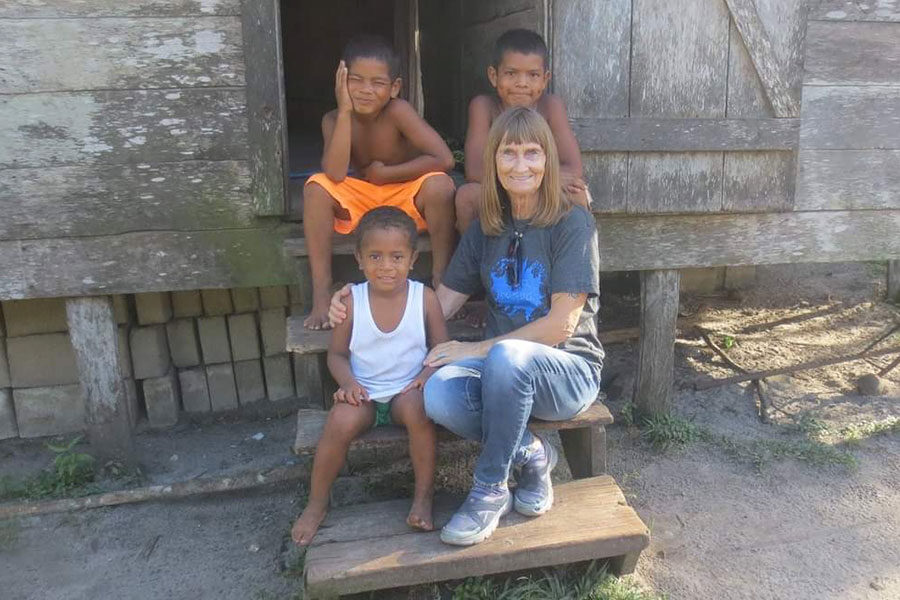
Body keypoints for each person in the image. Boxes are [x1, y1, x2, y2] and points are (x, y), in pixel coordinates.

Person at [329, 107, 603, 546]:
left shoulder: (573, 224)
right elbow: (442, 300)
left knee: (507, 357)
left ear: (548, 159)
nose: (520, 165)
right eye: (508, 153)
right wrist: (360, 294)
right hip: (500, 374)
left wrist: (474, 349)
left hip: (568, 373)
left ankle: (489, 489)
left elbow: (561, 325)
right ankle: (532, 454)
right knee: (437, 394)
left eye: (532, 153)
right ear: (493, 161)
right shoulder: (487, 228)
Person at [291, 207, 450, 546]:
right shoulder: (352, 302)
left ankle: (423, 498)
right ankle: (316, 504)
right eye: (375, 256)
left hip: (406, 392)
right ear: (359, 259)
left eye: (396, 256)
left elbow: (442, 348)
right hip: (364, 394)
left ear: (412, 259)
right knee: (338, 421)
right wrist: (348, 383)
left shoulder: (425, 298)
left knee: (420, 412)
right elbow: (336, 355)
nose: (386, 266)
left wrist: (425, 375)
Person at [303, 34, 457, 330]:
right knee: (315, 187)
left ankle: (441, 280)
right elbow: (335, 174)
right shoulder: (333, 119)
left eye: (377, 83)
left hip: (404, 193)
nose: (365, 90)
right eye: (356, 81)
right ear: (341, 80)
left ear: (395, 87)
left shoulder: (398, 111)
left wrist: (387, 174)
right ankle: (321, 292)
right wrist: (344, 111)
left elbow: (444, 158)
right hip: (362, 198)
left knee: (441, 185)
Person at [454, 28, 589, 235]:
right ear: (493, 76)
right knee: (467, 196)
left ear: (545, 79)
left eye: (533, 75)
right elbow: (474, 171)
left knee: (578, 194)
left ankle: (559, 260)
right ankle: (475, 263)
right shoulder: (484, 106)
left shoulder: (551, 106)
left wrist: (533, 182)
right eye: (511, 73)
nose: (522, 83)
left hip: (541, 190)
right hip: (499, 191)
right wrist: (519, 180)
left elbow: (573, 169)